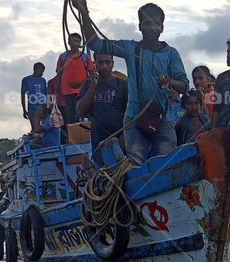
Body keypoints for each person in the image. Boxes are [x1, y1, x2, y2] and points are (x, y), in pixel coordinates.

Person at [72, 1, 190, 166]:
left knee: (165, 166)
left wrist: (170, 81)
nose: (152, 27)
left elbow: (184, 85)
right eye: (147, 23)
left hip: (164, 120)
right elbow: (94, 43)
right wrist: (84, 13)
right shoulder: (130, 48)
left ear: (162, 27)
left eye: (156, 23)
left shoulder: (171, 53)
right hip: (134, 119)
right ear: (140, 26)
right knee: (136, 165)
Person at [76, 52, 128, 165]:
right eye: (100, 62)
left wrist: (124, 137)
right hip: (98, 142)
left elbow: (130, 114)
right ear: (95, 64)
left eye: (107, 62)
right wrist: (93, 85)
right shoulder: (88, 84)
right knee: (103, 177)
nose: (104, 66)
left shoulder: (122, 85)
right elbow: (81, 111)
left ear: (112, 64)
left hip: (120, 140)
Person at [55, 33, 95, 125]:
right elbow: (58, 75)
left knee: (83, 114)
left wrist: (82, 84)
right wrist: (56, 91)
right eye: (73, 41)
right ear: (68, 42)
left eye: (78, 41)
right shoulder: (63, 57)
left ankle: (83, 136)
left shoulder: (85, 57)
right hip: (67, 91)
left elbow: (92, 74)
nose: (76, 43)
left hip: (82, 91)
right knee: (71, 116)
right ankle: (74, 137)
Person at [20, 62, 48, 133]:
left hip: (43, 108)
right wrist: (24, 109)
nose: (42, 74)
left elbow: (46, 94)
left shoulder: (43, 80)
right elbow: (23, 95)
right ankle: (33, 141)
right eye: (41, 71)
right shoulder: (26, 80)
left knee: (43, 128)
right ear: (36, 69)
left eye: (43, 72)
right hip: (32, 109)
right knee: (35, 129)